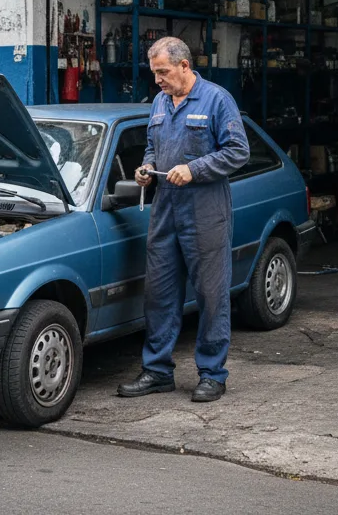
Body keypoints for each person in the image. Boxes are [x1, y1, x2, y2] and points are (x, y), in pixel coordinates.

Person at [118, 36, 249, 404]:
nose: (157, 80)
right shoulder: (159, 102)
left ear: (184, 66)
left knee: (211, 295)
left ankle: (212, 374)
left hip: (206, 213)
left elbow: (239, 151)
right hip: (165, 213)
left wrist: (195, 169)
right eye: (154, 73)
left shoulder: (217, 100)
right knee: (159, 295)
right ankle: (157, 371)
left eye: (163, 72)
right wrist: (146, 168)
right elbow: (151, 147)